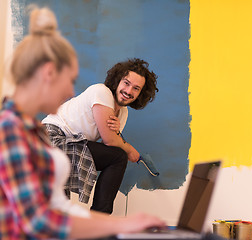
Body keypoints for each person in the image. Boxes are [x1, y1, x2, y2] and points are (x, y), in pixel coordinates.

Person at [0, 7, 165, 239]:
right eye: (70, 81)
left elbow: (59, 209)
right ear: (48, 74)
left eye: (135, 88)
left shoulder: (32, 133)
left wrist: (125, 224)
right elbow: (38, 221)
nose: (70, 91)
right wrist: (118, 226)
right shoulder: (10, 131)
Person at [42, 57, 158, 214]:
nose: (129, 91)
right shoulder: (101, 92)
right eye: (126, 83)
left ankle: (95, 221)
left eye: (136, 88)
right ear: (117, 80)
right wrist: (129, 148)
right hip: (50, 139)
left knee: (115, 156)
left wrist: (116, 135)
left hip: (71, 144)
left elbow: (107, 147)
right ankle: (100, 217)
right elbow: (111, 141)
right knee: (119, 156)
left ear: (141, 94)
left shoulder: (122, 113)